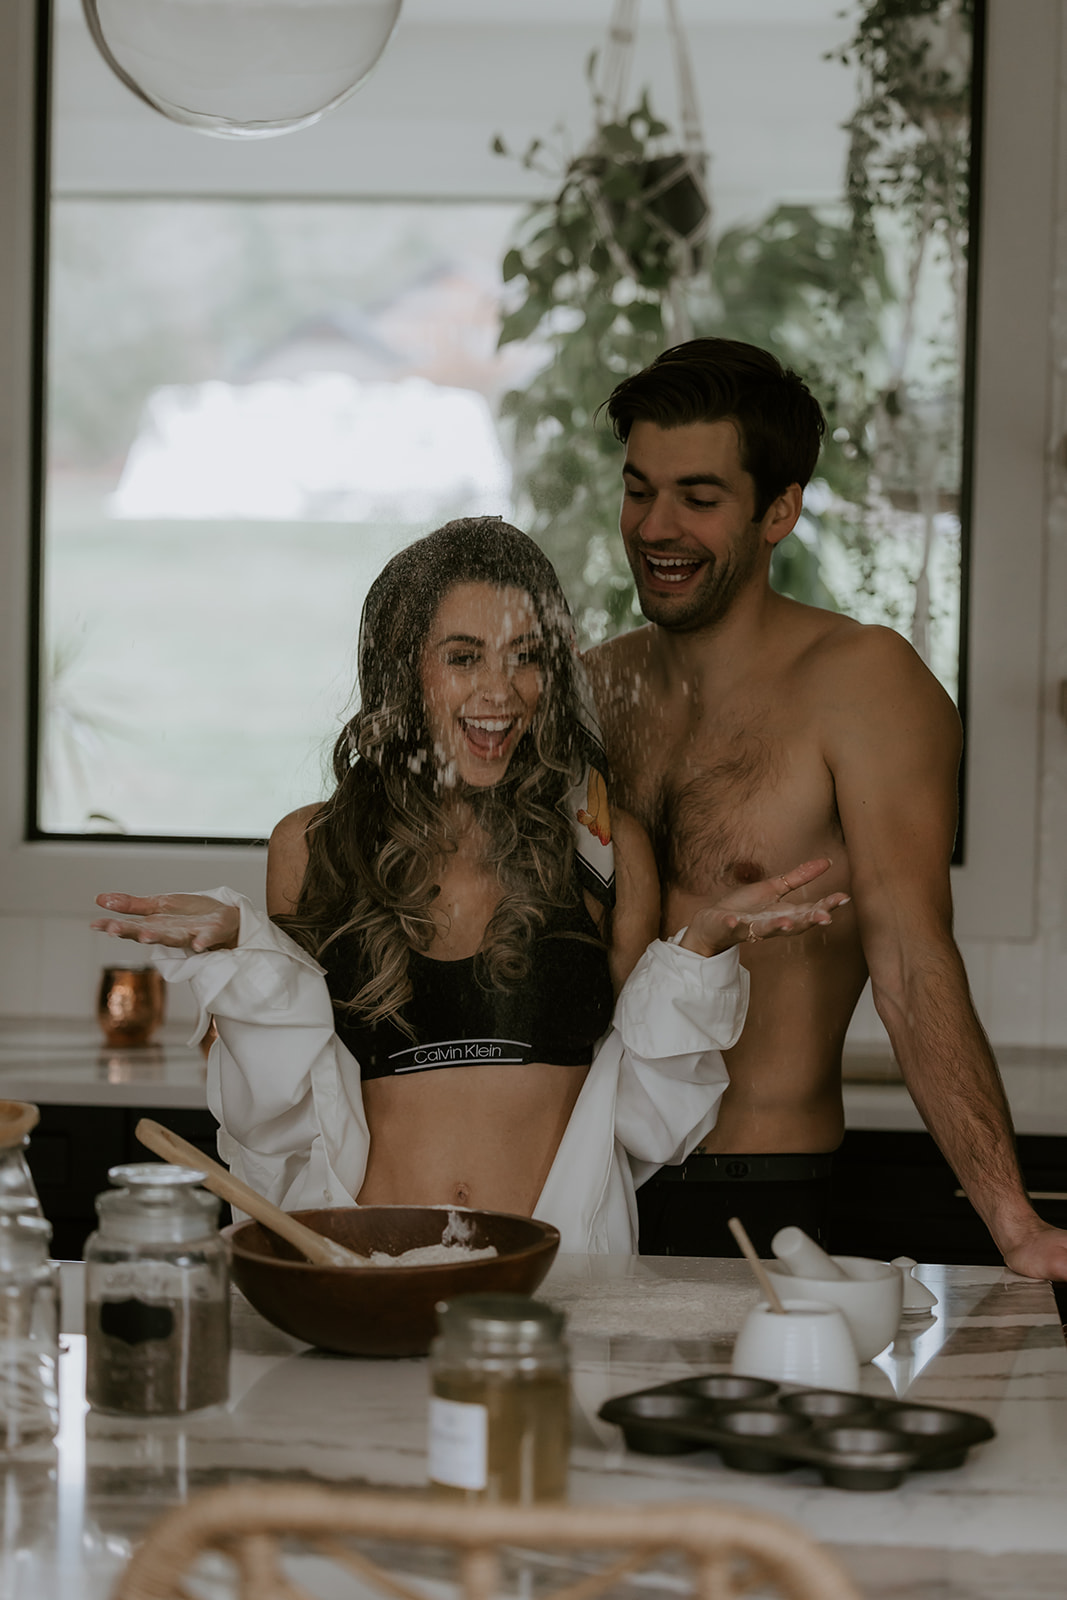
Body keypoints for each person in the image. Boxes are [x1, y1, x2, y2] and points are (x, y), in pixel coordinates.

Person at [92, 517, 846, 1253]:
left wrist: (699, 953)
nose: (502, 692)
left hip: (553, 1290)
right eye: (462, 657)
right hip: (366, 1276)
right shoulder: (316, 848)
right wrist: (244, 947)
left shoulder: (605, 853)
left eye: (525, 657)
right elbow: (285, 1104)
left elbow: (641, 1111)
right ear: (402, 668)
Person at [584, 337, 1067, 1278]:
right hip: (587, 1177)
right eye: (639, 489)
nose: (655, 525)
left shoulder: (861, 683)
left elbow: (909, 956)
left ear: (779, 511)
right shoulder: (597, 687)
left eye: (699, 496)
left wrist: (1011, 1222)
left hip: (760, 1187)